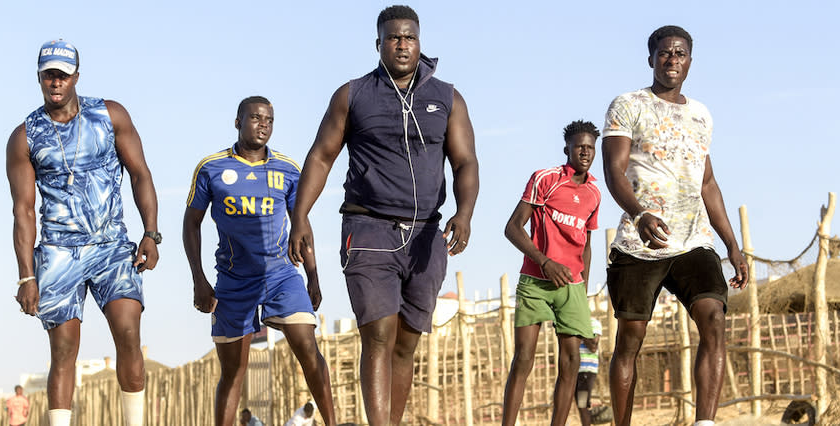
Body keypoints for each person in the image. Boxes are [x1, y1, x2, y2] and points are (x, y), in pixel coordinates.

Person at [287, 5, 479, 425]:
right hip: (369, 227)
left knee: (406, 343)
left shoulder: (447, 97)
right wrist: (300, 216)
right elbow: (321, 157)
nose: (402, 44)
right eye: (393, 38)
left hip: (428, 235)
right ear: (379, 45)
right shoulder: (353, 94)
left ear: (420, 42)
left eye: (409, 37)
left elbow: (465, 162)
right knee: (378, 334)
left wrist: (464, 214)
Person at [600, 25, 749, 426]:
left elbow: (708, 183)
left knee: (713, 316)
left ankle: (705, 423)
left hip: (693, 241)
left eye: (680, 54)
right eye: (665, 53)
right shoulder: (627, 105)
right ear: (651, 59)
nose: (672, 60)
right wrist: (639, 213)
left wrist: (732, 245)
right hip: (639, 242)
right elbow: (613, 171)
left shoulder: (701, 115)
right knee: (630, 339)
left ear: (690, 61)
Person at [7, 39, 160, 426]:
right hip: (59, 252)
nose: (55, 82)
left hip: (111, 244)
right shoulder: (24, 136)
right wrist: (27, 276)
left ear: (76, 75)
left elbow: (141, 174)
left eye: (62, 74)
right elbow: (23, 211)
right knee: (63, 350)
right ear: (39, 78)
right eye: (48, 75)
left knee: (128, 332)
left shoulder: (109, 115)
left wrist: (151, 234)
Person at [183, 97, 336, 426]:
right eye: (255, 117)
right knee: (233, 372)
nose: (263, 124)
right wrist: (198, 279)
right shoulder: (211, 168)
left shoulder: (289, 170)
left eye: (268, 119)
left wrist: (313, 276)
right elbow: (190, 223)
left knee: (308, 348)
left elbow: (302, 225)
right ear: (238, 122)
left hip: (281, 275)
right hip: (233, 280)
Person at [501, 121, 601, 426]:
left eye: (590, 148)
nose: (585, 152)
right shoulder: (544, 179)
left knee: (571, 362)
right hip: (536, 280)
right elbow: (512, 228)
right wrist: (544, 262)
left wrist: (581, 291)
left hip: (571, 285)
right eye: (579, 147)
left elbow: (587, 244)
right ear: (567, 149)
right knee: (524, 358)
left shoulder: (595, 192)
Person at [576, 318, 603, 426]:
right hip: (576, 372)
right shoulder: (576, 322)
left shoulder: (593, 323)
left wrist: (581, 332)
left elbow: (593, 346)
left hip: (586, 371)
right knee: (581, 405)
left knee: (582, 405)